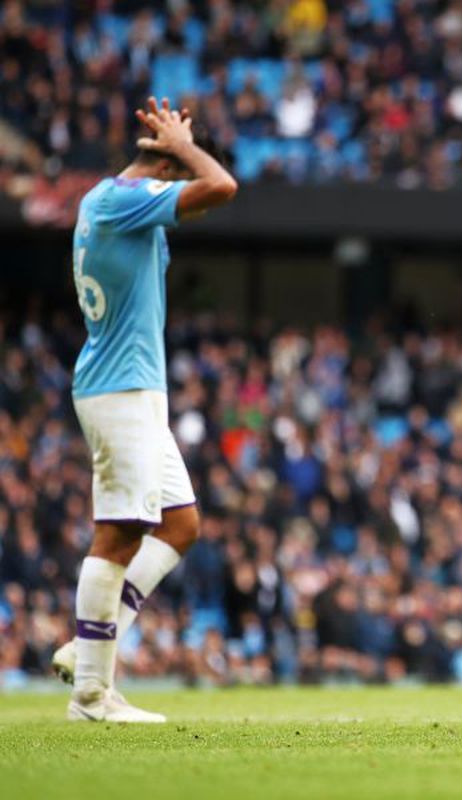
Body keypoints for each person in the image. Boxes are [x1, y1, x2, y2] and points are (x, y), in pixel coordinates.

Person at [55, 97, 238, 722]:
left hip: (136, 392)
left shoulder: (112, 204)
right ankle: (90, 696)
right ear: (166, 169)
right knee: (120, 531)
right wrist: (184, 149)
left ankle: (87, 647)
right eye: (178, 172)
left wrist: (173, 145)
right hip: (120, 391)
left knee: (179, 524)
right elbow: (222, 186)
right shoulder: (121, 203)